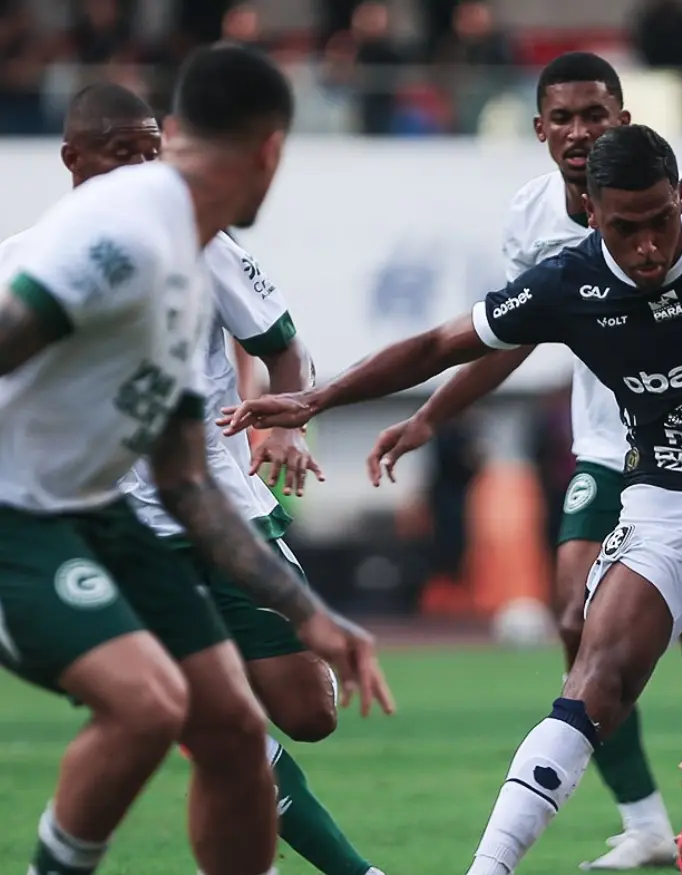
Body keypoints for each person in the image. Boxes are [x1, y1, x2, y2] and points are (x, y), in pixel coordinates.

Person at [221, 123, 682, 875]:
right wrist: (319, 398)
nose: (647, 247)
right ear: (591, 213)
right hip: (670, 503)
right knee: (595, 682)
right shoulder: (568, 283)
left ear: (680, 196)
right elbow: (439, 345)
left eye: (661, 221)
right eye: (625, 228)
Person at [362, 50, 682, 870]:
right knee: (577, 619)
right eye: (563, 118)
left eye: (594, 115)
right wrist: (434, 412)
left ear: (623, 120)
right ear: (540, 129)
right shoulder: (530, 215)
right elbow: (514, 329)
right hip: (610, 450)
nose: (579, 132)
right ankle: (645, 819)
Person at [0, 45, 393, 875]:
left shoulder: (186, 261)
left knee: (232, 729)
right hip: (24, 523)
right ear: (272, 151)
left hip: (102, 513)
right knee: (149, 705)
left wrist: (310, 614)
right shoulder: (121, 229)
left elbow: (184, 478)